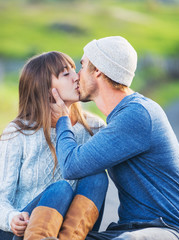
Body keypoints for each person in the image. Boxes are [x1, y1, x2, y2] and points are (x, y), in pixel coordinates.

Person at [51, 36, 179, 240]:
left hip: (169, 229)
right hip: (127, 229)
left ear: (98, 70)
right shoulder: (122, 117)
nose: (77, 76)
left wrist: (63, 118)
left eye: (82, 65)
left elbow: (71, 165)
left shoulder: (138, 114)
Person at [0, 51, 108, 240]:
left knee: (97, 178)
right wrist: (11, 218)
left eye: (75, 70)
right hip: (21, 231)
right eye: (66, 74)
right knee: (61, 189)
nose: (77, 77)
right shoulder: (18, 133)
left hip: (70, 231)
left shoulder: (94, 127)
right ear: (45, 88)